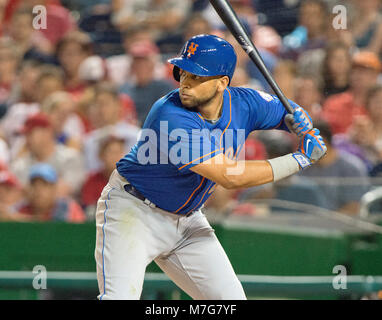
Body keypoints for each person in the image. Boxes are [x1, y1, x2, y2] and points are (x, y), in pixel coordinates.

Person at [94, 34, 327, 300]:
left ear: (222, 83)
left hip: (188, 219)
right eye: (184, 73)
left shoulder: (244, 103)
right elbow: (229, 176)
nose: (186, 83)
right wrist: (299, 159)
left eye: (197, 76)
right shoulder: (170, 115)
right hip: (134, 211)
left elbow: (284, 111)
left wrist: (298, 120)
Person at [300, 120, 370, 215]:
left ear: (321, 141)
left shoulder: (352, 168)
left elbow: (354, 208)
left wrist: (325, 221)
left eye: (306, 143)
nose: (302, 148)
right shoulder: (305, 168)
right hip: (307, 224)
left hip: (344, 225)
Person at [11, 112, 85, 198]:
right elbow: (14, 196)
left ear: (47, 132)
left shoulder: (70, 158)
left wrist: (28, 191)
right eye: (25, 135)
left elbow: (63, 191)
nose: (26, 139)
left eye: (30, 134)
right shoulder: (19, 164)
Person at [322, 51, 382, 135]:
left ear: (375, 77)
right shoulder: (333, 103)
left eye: (365, 72)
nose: (359, 75)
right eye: (355, 71)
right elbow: (323, 134)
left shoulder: (378, 107)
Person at [16, 163, 86, 222]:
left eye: (44, 184)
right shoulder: (22, 210)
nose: (38, 190)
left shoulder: (69, 209)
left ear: (54, 189)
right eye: (34, 185)